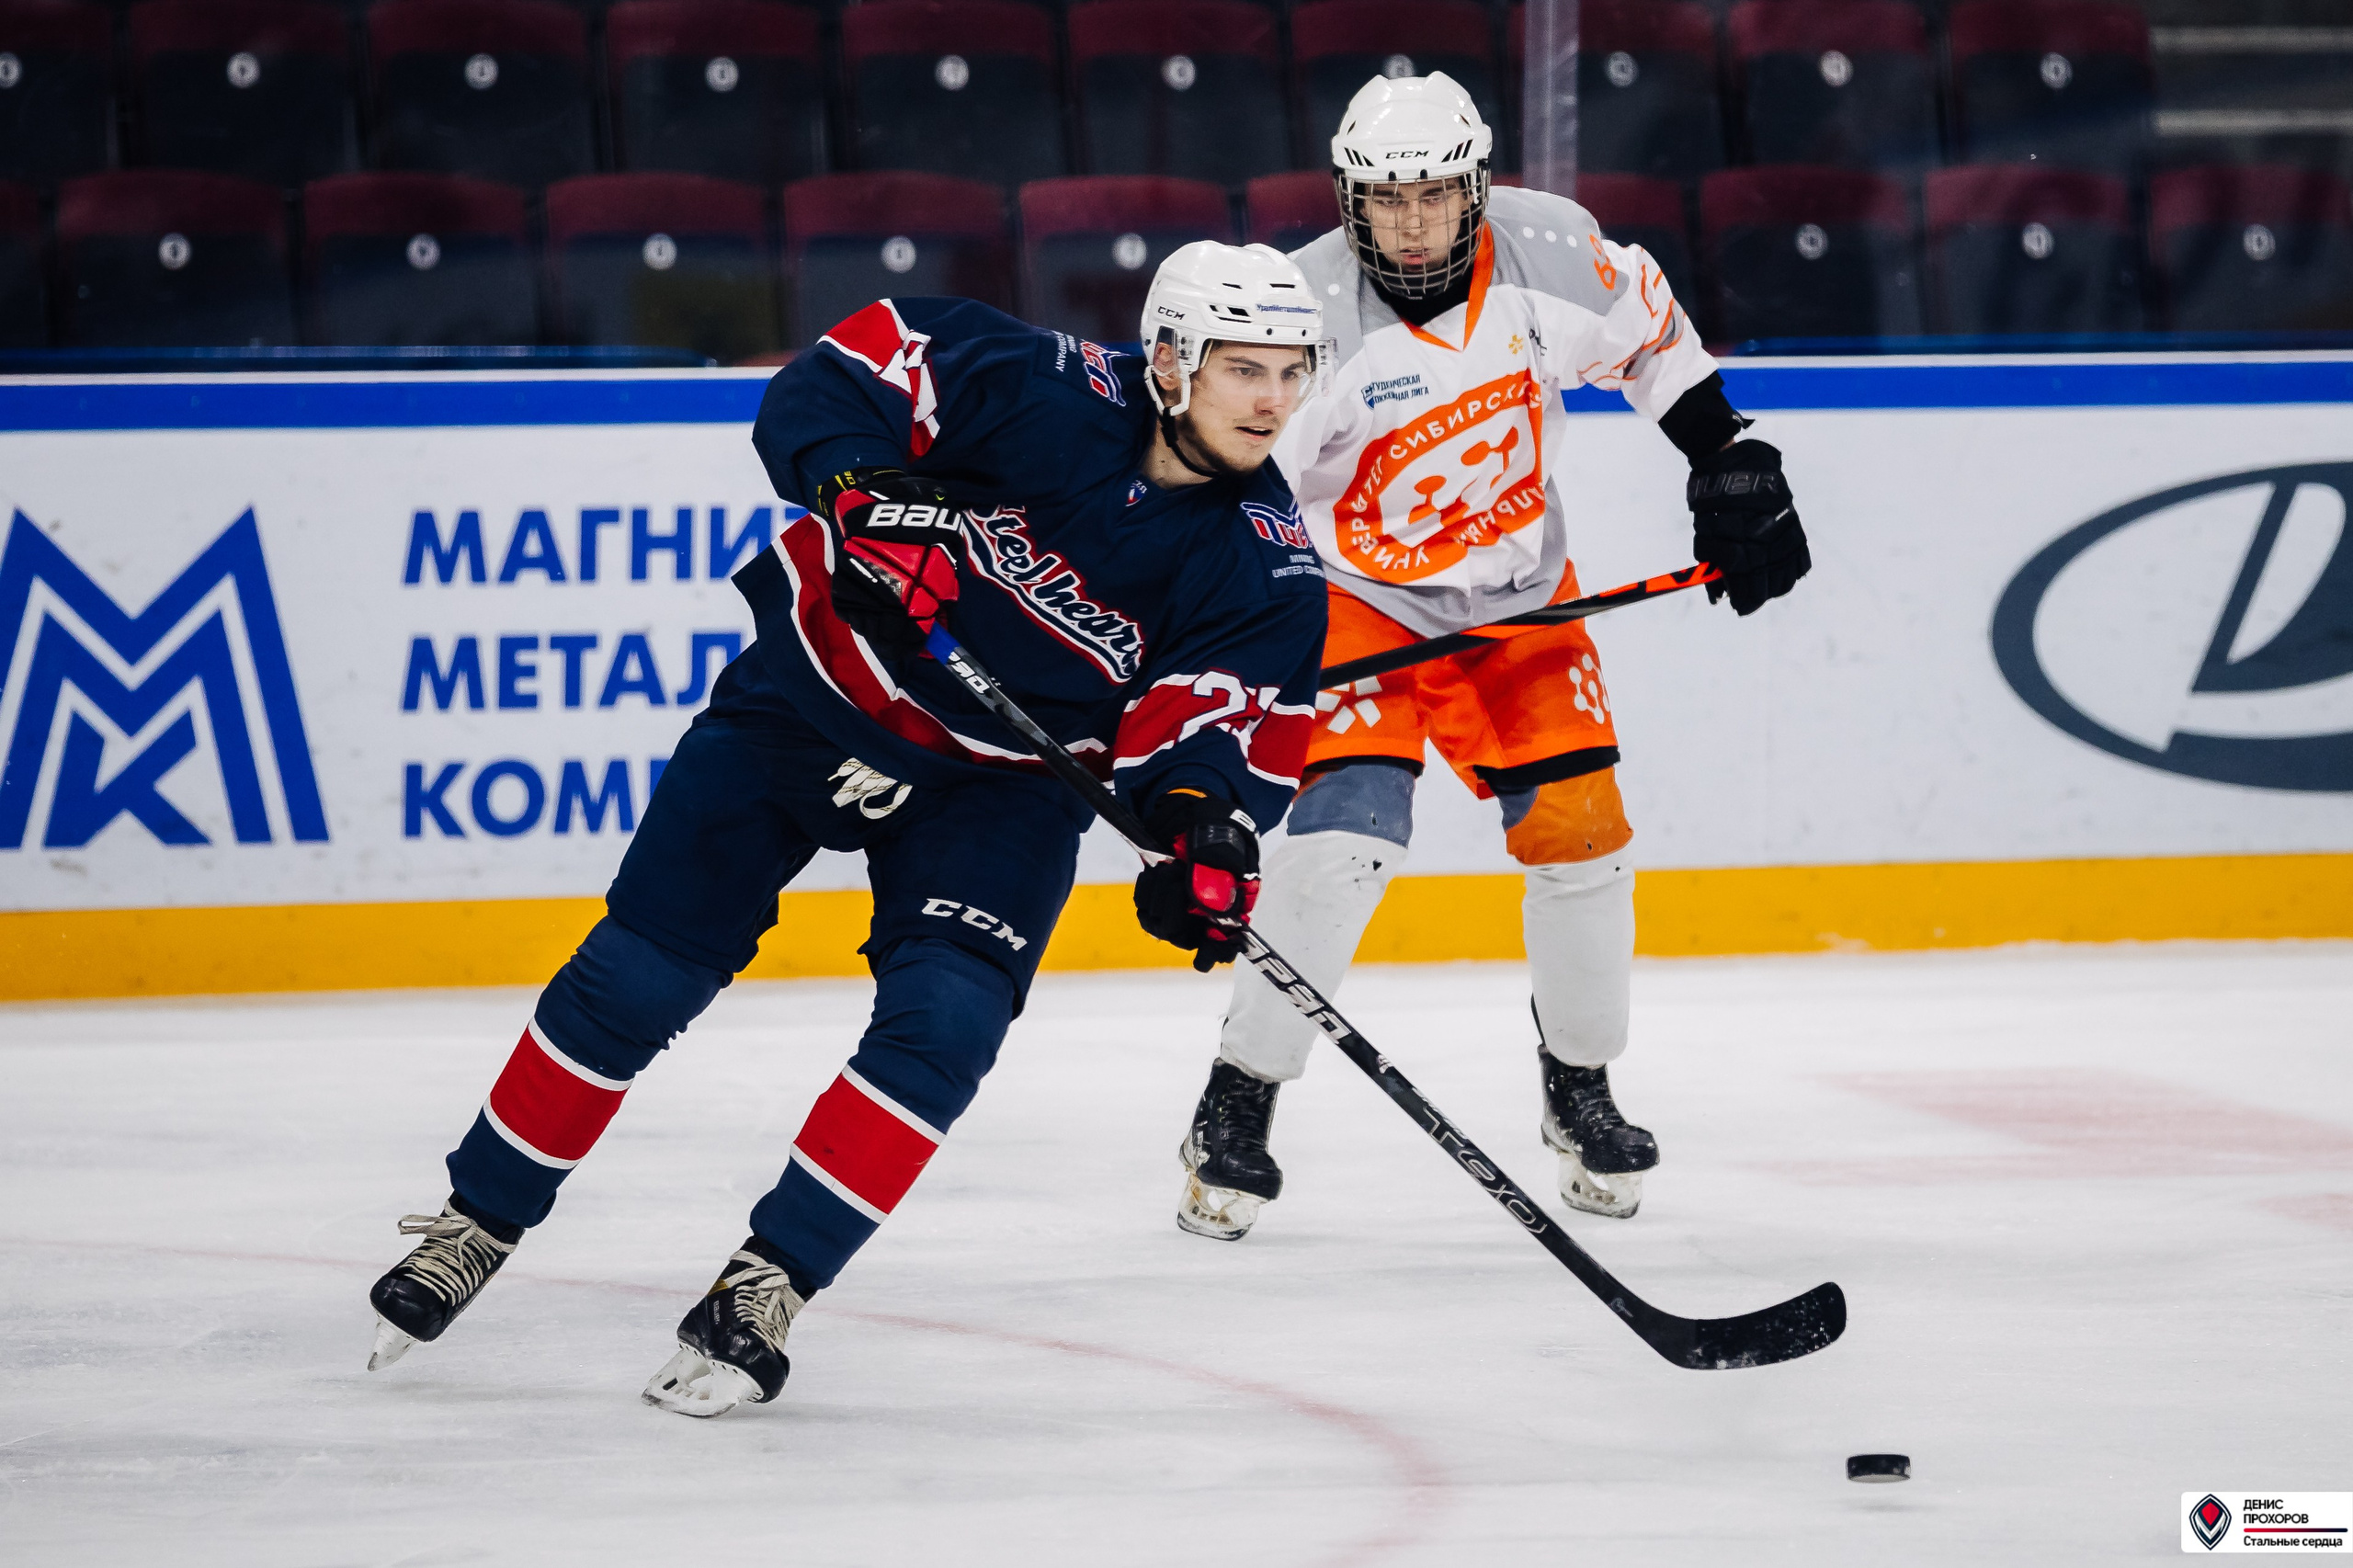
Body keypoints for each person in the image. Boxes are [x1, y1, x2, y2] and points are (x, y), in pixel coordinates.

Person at [366, 241, 1334, 1416]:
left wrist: (1198, 836)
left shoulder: (1268, 568)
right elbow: (827, 382)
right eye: (1246, 370)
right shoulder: (1028, 376)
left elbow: (1204, 737)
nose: (1275, 401)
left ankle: (768, 1281)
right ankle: (478, 1218)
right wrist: (858, 488)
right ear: (1172, 359)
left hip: (997, 781)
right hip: (811, 693)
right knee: (635, 976)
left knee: (948, 1021)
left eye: (1293, 371)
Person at [1175, 74, 1810, 1241]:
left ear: (1475, 188)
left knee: (1582, 835)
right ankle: (1239, 1095)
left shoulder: (1552, 252)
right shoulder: (1302, 312)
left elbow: (1653, 336)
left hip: (1520, 595)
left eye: (1434, 195)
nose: (1411, 224)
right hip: (1358, 601)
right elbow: (1233, 484)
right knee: (1342, 843)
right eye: (1386, 200)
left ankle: (1580, 1089)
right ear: (1347, 199)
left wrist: (1725, 455)